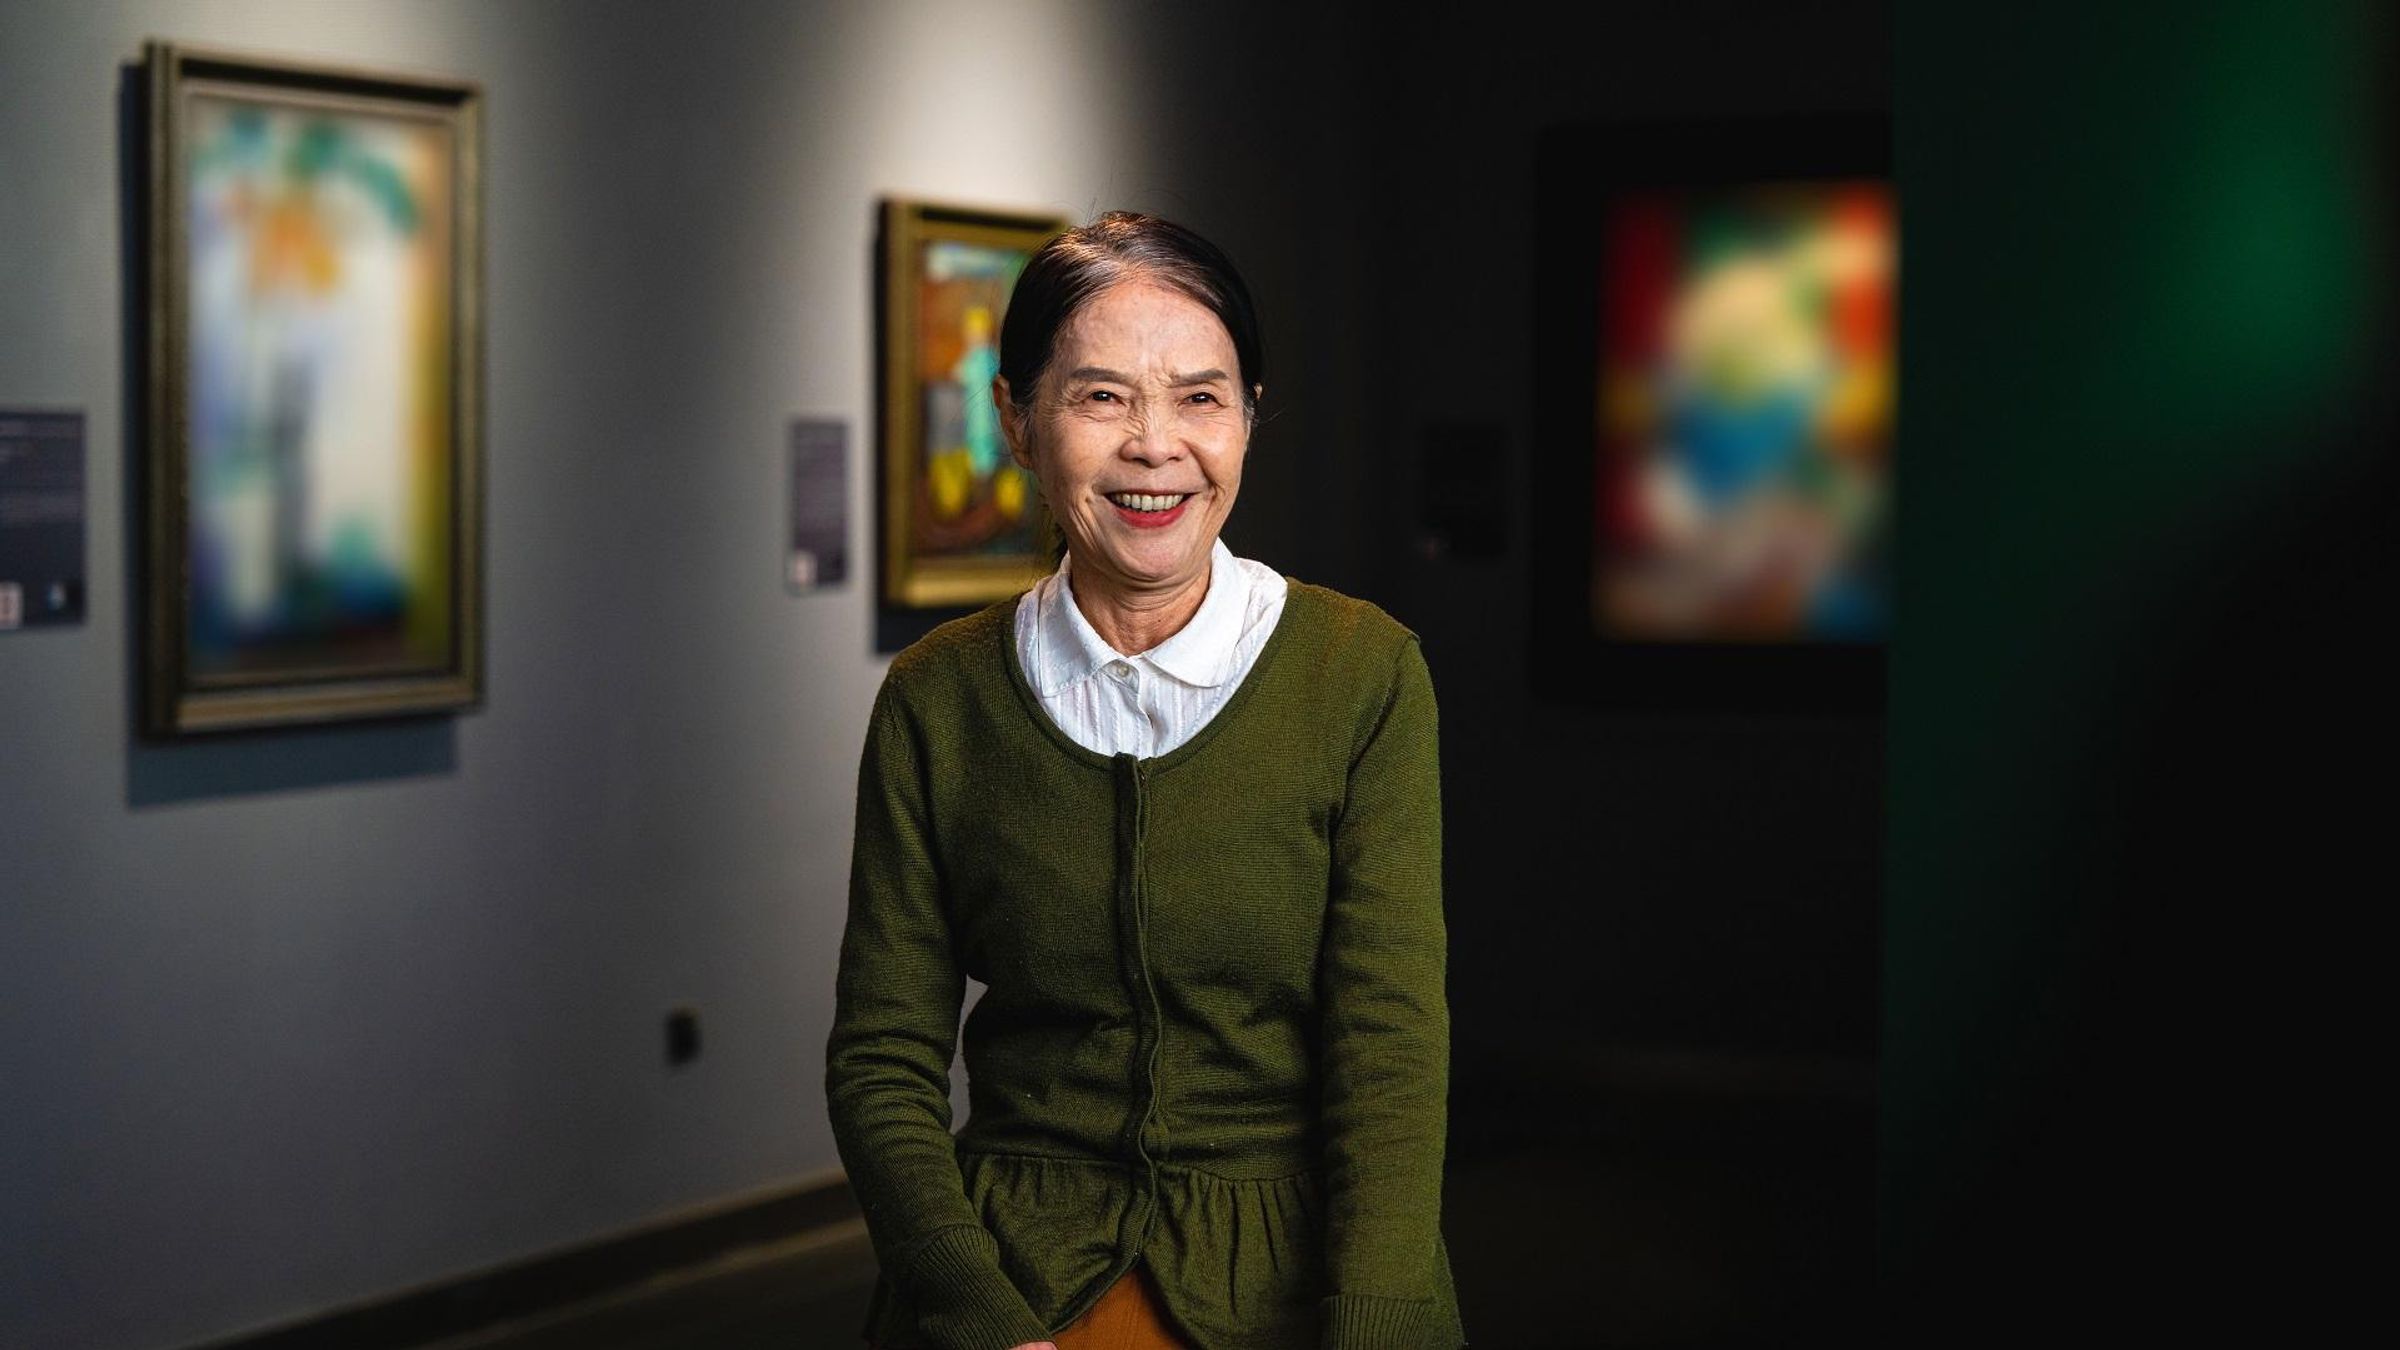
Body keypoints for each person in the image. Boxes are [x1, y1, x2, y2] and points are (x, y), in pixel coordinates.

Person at [826, 211, 1463, 1350]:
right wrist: (972, 1309)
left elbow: (1391, 1049)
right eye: (1102, 397)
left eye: (1202, 397)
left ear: (1251, 415)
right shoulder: (937, 700)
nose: (1156, 446)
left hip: (1299, 1276)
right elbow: (883, 1056)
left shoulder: (1362, 675)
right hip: (1011, 1278)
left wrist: (1373, 1325)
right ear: (1018, 422)